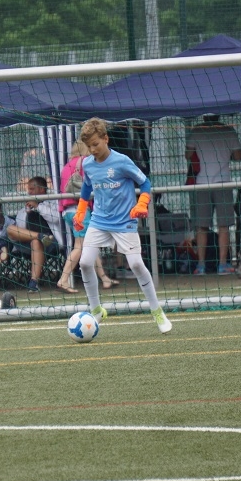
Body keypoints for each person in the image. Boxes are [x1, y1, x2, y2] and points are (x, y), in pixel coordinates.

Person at [73, 117, 172, 334]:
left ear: (105, 139)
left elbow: (145, 182)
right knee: (85, 263)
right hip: (99, 221)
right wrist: (81, 211)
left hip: (124, 222)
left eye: (95, 144)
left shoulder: (122, 161)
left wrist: (142, 203)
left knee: (136, 264)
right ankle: (96, 310)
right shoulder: (87, 164)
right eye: (88, 146)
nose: (92, 150)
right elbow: (87, 186)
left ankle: (157, 311)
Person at [185, 114, 241, 275]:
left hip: (202, 183)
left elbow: (188, 155)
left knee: (201, 226)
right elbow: (239, 156)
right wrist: (226, 154)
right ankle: (223, 264)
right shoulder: (229, 130)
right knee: (224, 226)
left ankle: (201, 265)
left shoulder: (196, 131)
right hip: (223, 182)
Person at [57, 141, 119, 293]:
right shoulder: (86, 162)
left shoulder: (67, 166)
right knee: (80, 246)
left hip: (67, 210)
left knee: (90, 244)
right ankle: (63, 279)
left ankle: (104, 278)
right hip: (80, 210)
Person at [7, 176, 62, 292]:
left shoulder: (52, 202)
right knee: (10, 229)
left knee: (36, 242)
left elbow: (55, 218)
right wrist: (27, 211)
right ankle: (39, 236)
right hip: (26, 241)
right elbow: (19, 227)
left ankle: (34, 282)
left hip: (49, 242)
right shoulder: (25, 207)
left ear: (41, 189)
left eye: (32, 189)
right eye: (29, 189)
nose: (29, 192)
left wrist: (37, 206)